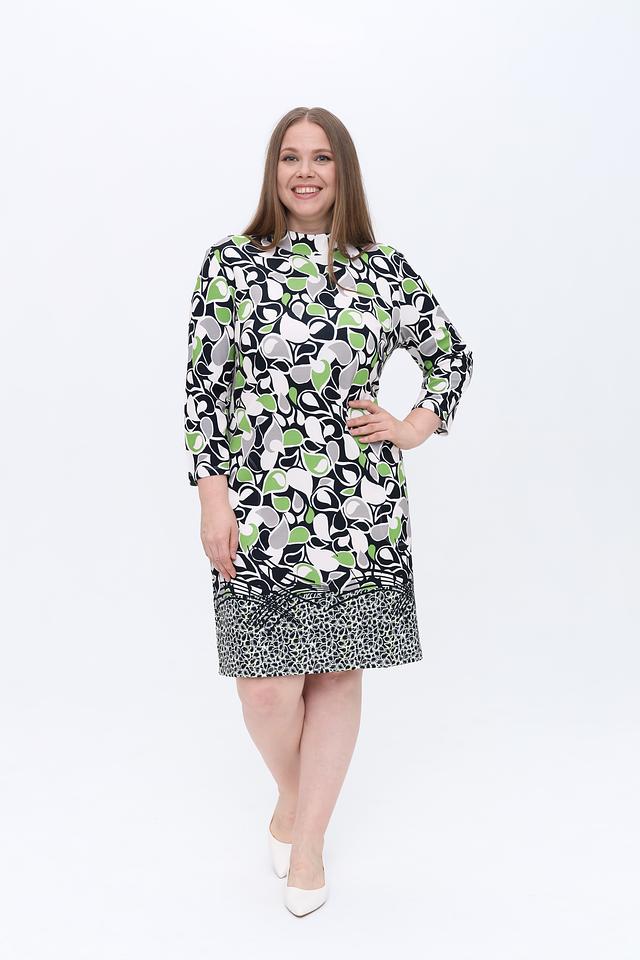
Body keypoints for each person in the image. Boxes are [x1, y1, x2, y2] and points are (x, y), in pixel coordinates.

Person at [183, 106, 474, 916]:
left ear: (343, 171)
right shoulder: (230, 265)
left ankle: (308, 841)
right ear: (273, 171)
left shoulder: (383, 270)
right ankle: (294, 795)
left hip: (359, 508)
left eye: (321, 158)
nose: (305, 172)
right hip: (257, 506)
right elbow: (204, 391)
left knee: (338, 672)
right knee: (265, 690)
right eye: (290, 157)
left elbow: (449, 357)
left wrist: (412, 426)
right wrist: (212, 499)